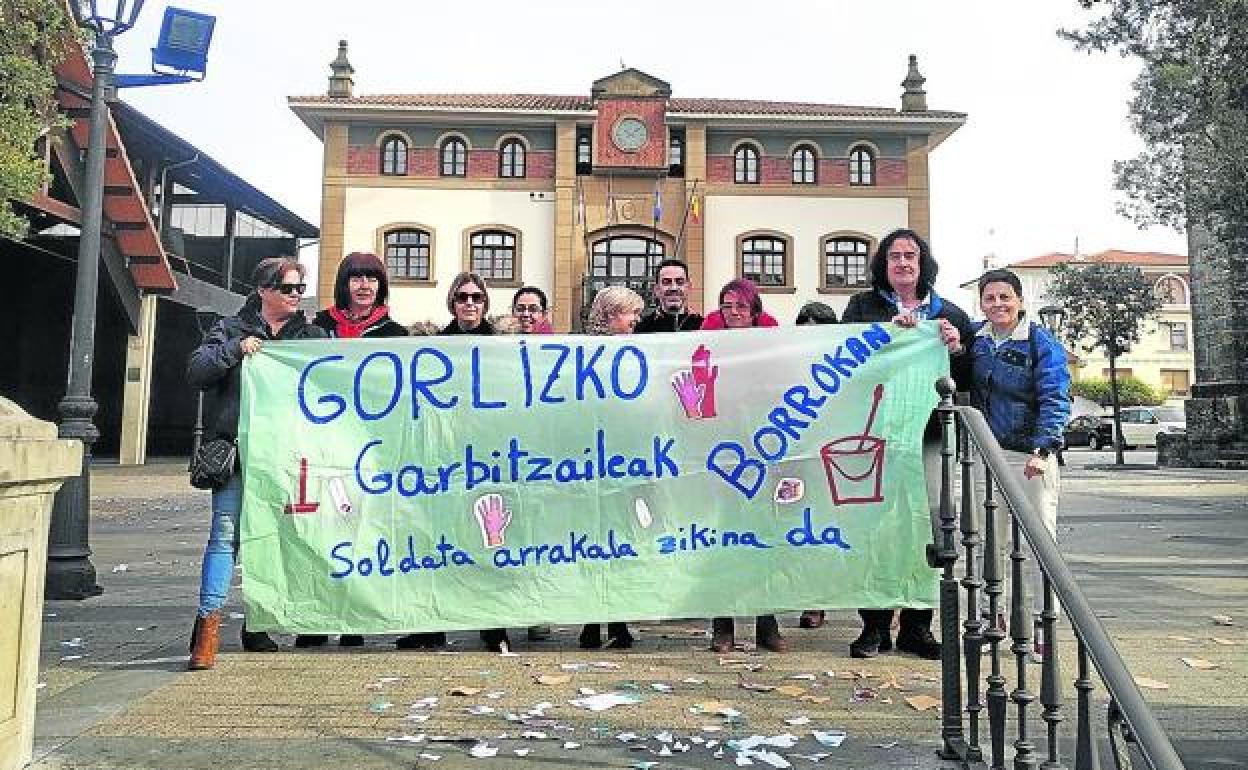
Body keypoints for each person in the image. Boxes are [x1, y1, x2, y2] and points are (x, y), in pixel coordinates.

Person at [186, 258, 328, 670]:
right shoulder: (230, 328)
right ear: (264, 290)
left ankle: (258, 624)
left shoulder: (312, 336)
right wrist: (233, 350)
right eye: (289, 288)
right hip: (237, 455)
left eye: (301, 289)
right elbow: (196, 371)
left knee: (276, 540)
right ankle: (206, 631)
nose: (297, 295)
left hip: (287, 457)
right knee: (225, 537)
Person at [842, 228, 973, 660]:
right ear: (883, 264)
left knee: (930, 525)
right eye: (894, 256)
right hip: (876, 432)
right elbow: (845, 361)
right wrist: (886, 336)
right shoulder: (862, 307)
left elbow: (967, 381)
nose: (902, 262)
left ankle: (919, 625)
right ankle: (874, 625)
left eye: (910, 255)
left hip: (930, 436)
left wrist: (955, 350)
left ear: (923, 262)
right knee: (877, 526)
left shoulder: (950, 313)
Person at [296, 251, 408, 650]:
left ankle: (352, 617)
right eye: (357, 278)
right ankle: (314, 619)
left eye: (372, 279)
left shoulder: (395, 334)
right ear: (344, 283)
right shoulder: (315, 330)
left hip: (368, 450)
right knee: (317, 532)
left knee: (358, 532)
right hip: (322, 446)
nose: (364, 285)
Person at [970, 269, 1070, 618]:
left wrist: (1044, 449)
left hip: (1030, 456)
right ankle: (991, 613)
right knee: (989, 542)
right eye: (990, 298)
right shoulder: (976, 339)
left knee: (1040, 541)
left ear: (1019, 301)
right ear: (982, 303)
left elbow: (1055, 398)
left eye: (1005, 297)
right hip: (988, 454)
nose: (998, 304)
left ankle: (1045, 621)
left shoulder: (1040, 343)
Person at [704, 279, 788, 654]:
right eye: (727, 305)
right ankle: (722, 625)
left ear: (754, 311)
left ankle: (766, 623)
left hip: (763, 446)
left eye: (740, 305)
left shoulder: (771, 343)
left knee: (764, 534)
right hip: (720, 449)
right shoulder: (707, 340)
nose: (733, 312)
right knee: (722, 536)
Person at [578, 285, 644, 650]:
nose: (635, 320)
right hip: (589, 463)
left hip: (624, 461)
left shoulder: (638, 352)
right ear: (608, 315)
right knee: (591, 542)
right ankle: (590, 620)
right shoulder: (580, 353)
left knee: (620, 542)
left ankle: (618, 620)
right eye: (629, 313)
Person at [507, 285, 555, 643]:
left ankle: (538, 611)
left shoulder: (558, 351)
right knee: (506, 535)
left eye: (533, 309)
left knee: (539, 536)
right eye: (520, 308)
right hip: (504, 457)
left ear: (544, 314)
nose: (527, 314)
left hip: (543, 458)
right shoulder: (497, 350)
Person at [793, 300, 840, 631]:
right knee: (804, 532)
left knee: (833, 532)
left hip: (835, 458)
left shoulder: (847, 366)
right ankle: (812, 600)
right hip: (798, 459)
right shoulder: (787, 366)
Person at [634, 258, 703, 333]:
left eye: (680, 282)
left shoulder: (703, 327)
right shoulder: (640, 329)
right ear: (656, 289)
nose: (674, 288)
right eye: (666, 282)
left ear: (689, 287)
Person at [441, 271, 496, 335]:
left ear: (485, 302)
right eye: (462, 297)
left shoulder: (498, 340)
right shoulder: (439, 342)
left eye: (476, 297)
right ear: (452, 302)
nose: (469, 303)